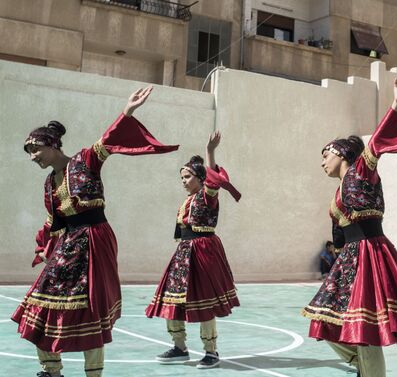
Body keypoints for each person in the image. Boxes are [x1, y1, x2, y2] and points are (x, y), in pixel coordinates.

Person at [13, 86, 179, 377]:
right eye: (29, 152)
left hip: (93, 240)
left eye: (35, 149)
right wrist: (44, 247)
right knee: (38, 305)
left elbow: (108, 140)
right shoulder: (48, 185)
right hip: (68, 244)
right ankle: (52, 372)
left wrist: (127, 112)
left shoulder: (84, 161)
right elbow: (54, 222)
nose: (32, 157)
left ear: (52, 145)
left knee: (91, 309)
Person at [301, 75, 397, 377]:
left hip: (371, 255)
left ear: (340, 153)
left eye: (325, 155)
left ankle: (370, 372)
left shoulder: (361, 172)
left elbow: (378, 140)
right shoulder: (336, 196)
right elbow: (338, 237)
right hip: (350, 261)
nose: (322, 162)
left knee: (365, 333)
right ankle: (366, 370)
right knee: (325, 322)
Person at [146, 131, 241, 369]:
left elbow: (214, 180)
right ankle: (180, 348)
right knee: (172, 300)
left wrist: (209, 152)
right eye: (182, 177)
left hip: (203, 251)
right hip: (184, 252)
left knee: (204, 301)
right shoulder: (188, 200)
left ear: (200, 179)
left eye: (187, 176)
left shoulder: (207, 196)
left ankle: (211, 352)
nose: (183, 180)